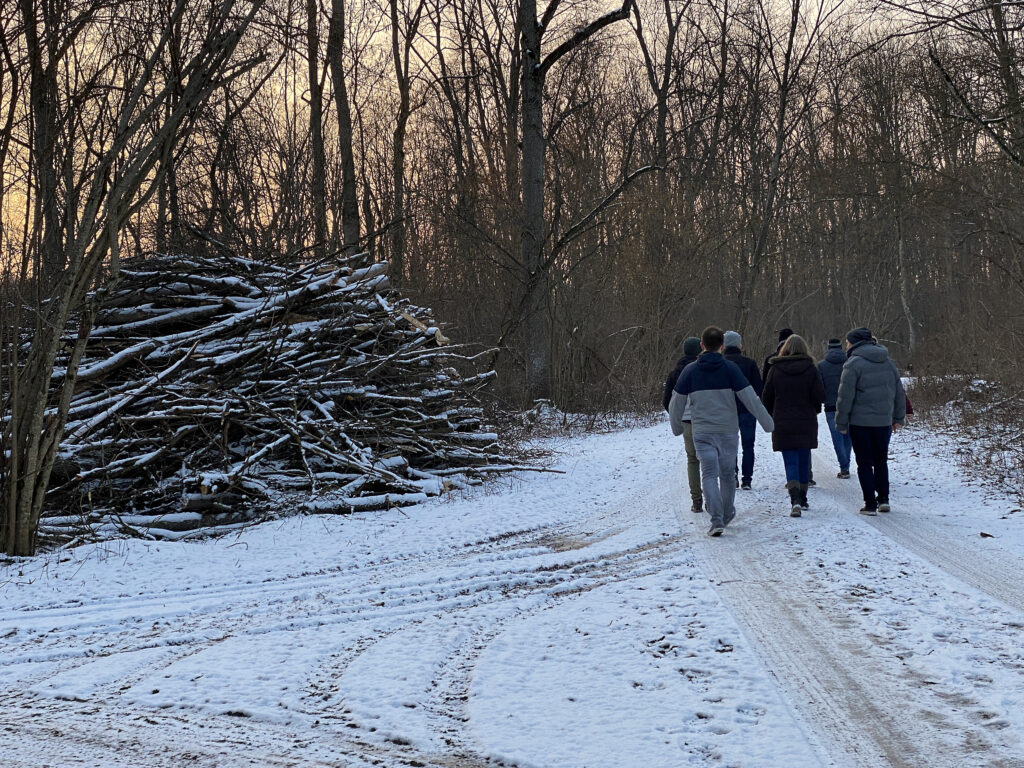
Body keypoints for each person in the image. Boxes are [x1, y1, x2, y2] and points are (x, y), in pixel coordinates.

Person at [669, 326, 774, 536]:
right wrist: (767, 423)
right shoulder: (730, 369)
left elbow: (676, 402)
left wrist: (677, 427)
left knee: (708, 474)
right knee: (727, 474)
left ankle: (716, 519)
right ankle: (726, 514)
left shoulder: (690, 371)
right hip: (727, 431)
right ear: (722, 346)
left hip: (702, 432)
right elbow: (750, 397)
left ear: (702, 345)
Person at [834, 327, 906, 515]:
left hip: (860, 424)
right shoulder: (888, 363)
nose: (846, 345)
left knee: (864, 463)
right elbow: (899, 392)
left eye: (848, 342)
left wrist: (841, 423)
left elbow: (845, 397)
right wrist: (898, 417)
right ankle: (884, 499)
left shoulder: (853, 364)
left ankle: (870, 504)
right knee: (881, 461)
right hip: (883, 422)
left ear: (855, 343)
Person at [761, 334, 825, 516]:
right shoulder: (811, 369)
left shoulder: (776, 369)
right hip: (806, 420)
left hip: (783, 420)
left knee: (790, 460)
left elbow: (767, 396)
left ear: (785, 348)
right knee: (804, 459)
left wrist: (772, 413)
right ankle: (803, 498)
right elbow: (820, 395)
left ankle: (794, 498)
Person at [663, 337, 704, 513]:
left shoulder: (675, 373)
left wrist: (678, 415)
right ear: (699, 351)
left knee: (692, 460)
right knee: (710, 460)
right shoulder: (703, 370)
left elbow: (667, 401)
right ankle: (712, 499)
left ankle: (696, 500)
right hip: (706, 420)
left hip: (687, 421)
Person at [722, 330, 763, 490]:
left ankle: (733, 474)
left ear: (724, 345)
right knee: (748, 445)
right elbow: (758, 388)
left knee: (729, 445)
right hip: (747, 410)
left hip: (727, 411)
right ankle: (747, 479)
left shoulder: (721, 364)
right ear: (739, 344)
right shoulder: (750, 363)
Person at [818, 338, 853, 478]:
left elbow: (819, 388)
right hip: (850, 405)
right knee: (848, 436)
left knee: (836, 436)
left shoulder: (821, 365)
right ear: (841, 348)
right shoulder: (850, 363)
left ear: (829, 349)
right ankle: (847, 464)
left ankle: (844, 467)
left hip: (831, 406)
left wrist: (823, 399)